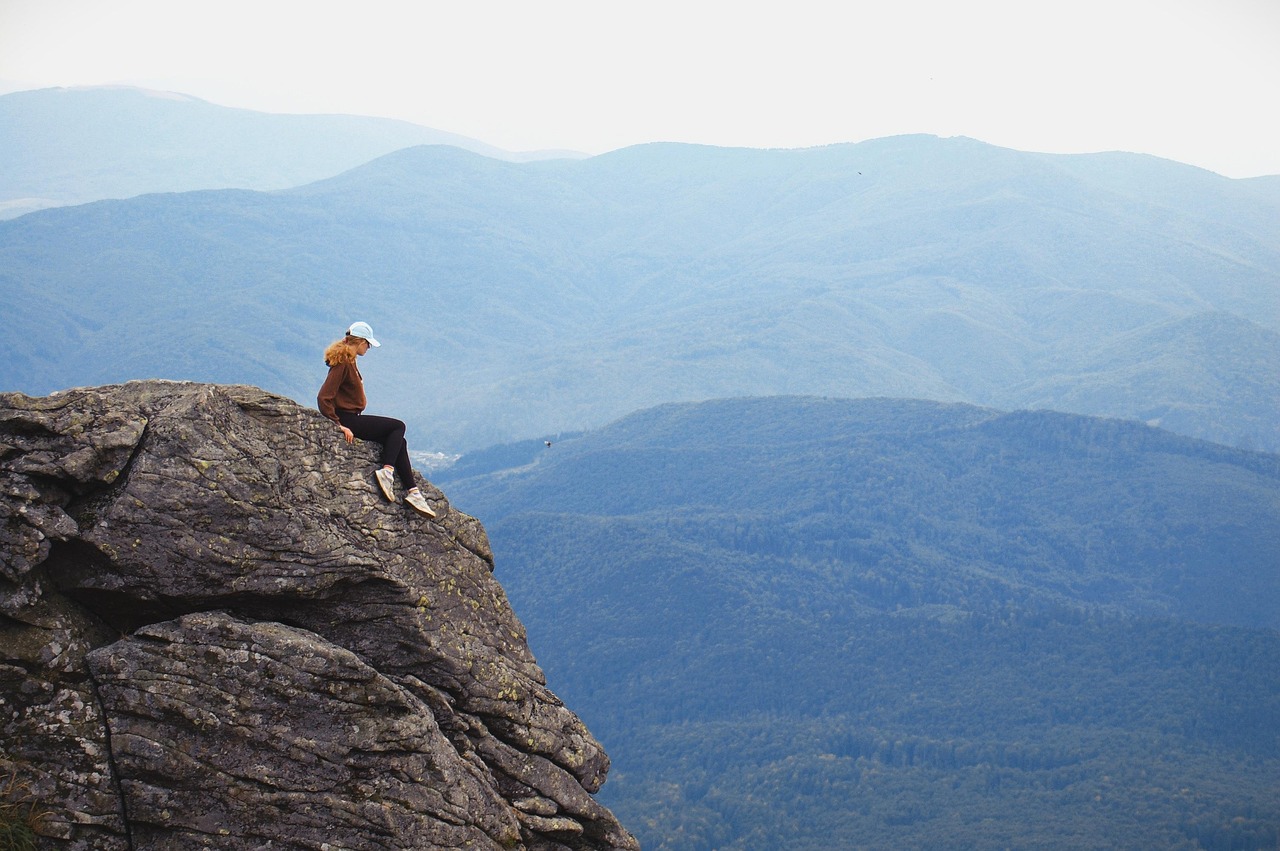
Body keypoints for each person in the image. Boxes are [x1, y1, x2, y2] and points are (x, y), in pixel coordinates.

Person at [317, 321, 436, 518]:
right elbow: (324, 397)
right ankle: (387, 472)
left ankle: (413, 492)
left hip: (352, 418)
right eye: (368, 344)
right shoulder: (343, 363)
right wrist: (337, 424)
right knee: (398, 426)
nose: (369, 348)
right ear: (360, 341)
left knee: (399, 442)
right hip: (348, 420)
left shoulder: (349, 360)